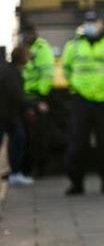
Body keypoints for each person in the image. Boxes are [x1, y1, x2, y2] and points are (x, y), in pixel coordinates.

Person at [61, 11, 104, 195]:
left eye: (94, 22)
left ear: (102, 23)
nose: (91, 25)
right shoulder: (73, 46)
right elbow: (67, 70)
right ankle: (76, 183)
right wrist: (77, 86)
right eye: (88, 22)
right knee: (77, 142)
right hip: (81, 99)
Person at [19, 23, 54, 177]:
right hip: (23, 97)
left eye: (28, 34)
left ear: (34, 34)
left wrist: (41, 96)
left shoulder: (42, 49)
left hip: (36, 96)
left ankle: (40, 168)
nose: (26, 37)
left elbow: (46, 74)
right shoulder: (22, 47)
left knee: (39, 135)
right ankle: (25, 168)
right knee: (25, 135)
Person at [1, 46, 34, 186]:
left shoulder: (9, 70)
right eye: (27, 56)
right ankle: (15, 174)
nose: (29, 59)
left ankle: (15, 173)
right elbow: (16, 95)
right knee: (18, 141)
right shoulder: (13, 73)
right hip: (6, 116)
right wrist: (32, 105)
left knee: (17, 140)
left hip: (8, 115)